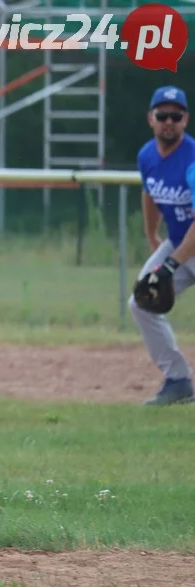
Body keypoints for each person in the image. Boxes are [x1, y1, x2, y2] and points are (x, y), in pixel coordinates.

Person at [130, 86, 195, 406]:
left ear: (186, 120)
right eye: (162, 115)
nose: (168, 121)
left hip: (187, 246)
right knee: (142, 301)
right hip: (180, 243)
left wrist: (170, 265)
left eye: (176, 115)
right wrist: (152, 234)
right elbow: (149, 192)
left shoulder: (193, 158)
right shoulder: (147, 156)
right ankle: (178, 379)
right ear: (150, 119)